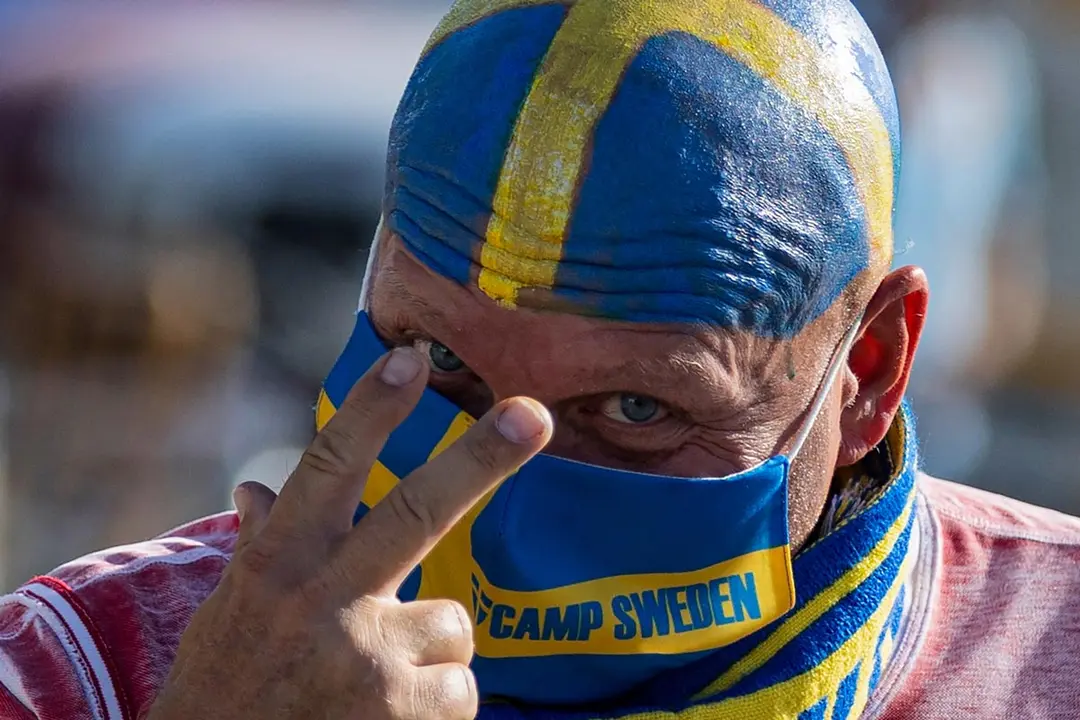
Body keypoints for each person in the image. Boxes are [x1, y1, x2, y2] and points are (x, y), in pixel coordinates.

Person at [2, 0, 1080, 718]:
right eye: (431, 358)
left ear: (872, 370)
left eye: (635, 407)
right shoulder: (80, 668)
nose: (490, 499)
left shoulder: (1054, 650)